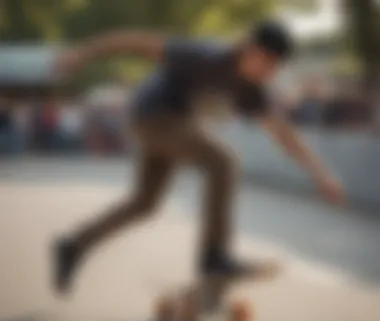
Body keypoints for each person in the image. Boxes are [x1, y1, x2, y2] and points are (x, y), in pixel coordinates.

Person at [53, 21, 345, 295]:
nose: (266, 73)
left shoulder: (251, 90)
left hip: (169, 128)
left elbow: (282, 132)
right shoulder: (206, 55)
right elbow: (135, 42)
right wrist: (82, 53)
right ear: (248, 48)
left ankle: (73, 245)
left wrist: (320, 174)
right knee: (223, 162)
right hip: (153, 118)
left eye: (273, 68)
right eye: (265, 63)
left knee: (144, 203)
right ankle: (213, 257)